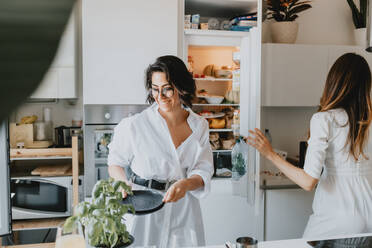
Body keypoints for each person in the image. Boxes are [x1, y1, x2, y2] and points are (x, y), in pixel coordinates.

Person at [247, 53, 372, 238]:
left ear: (334, 82)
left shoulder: (325, 119)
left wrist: (270, 153)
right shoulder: (368, 121)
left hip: (335, 220)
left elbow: (308, 181)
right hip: (368, 217)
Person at [107, 55, 214, 247]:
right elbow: (115, 162)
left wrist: (187, 184)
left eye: (167, 89)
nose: (160, 96)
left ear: (182, 87)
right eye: (155, 89)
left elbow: (203, 169)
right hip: (144, 208)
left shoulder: (200, 126)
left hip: (184, 208)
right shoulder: (135, 125)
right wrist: (122, 183)